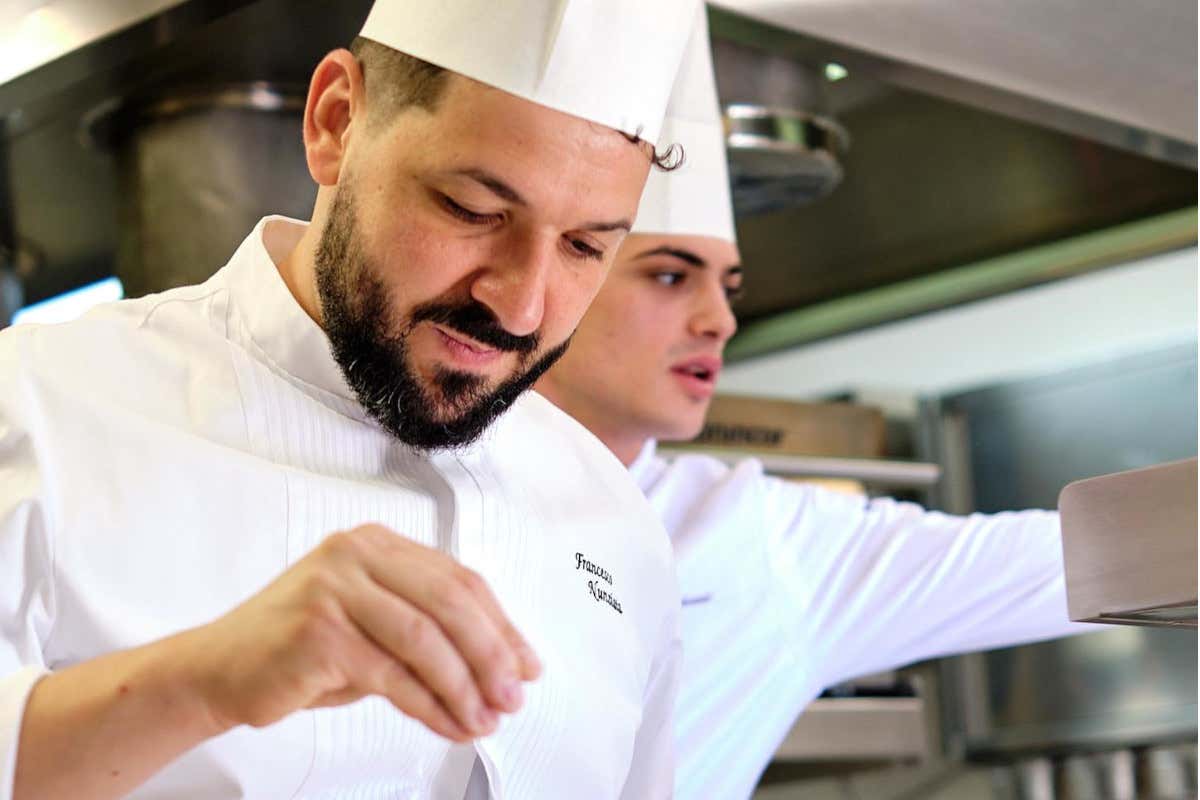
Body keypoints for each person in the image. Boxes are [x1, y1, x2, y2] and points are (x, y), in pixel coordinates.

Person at [0, 1, 700, 797]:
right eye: (471, 209)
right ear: (335, 121)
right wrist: (201, 682)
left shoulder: (618, 522)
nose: (522, 306)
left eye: (585, 246)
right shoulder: (37, 405)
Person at [535, 10, 1091, 798]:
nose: (719, 319)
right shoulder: (410, 469)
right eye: (669, 274)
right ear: (565, 273)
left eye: (728, 287)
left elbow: (1074, 565)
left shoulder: (763, 540)